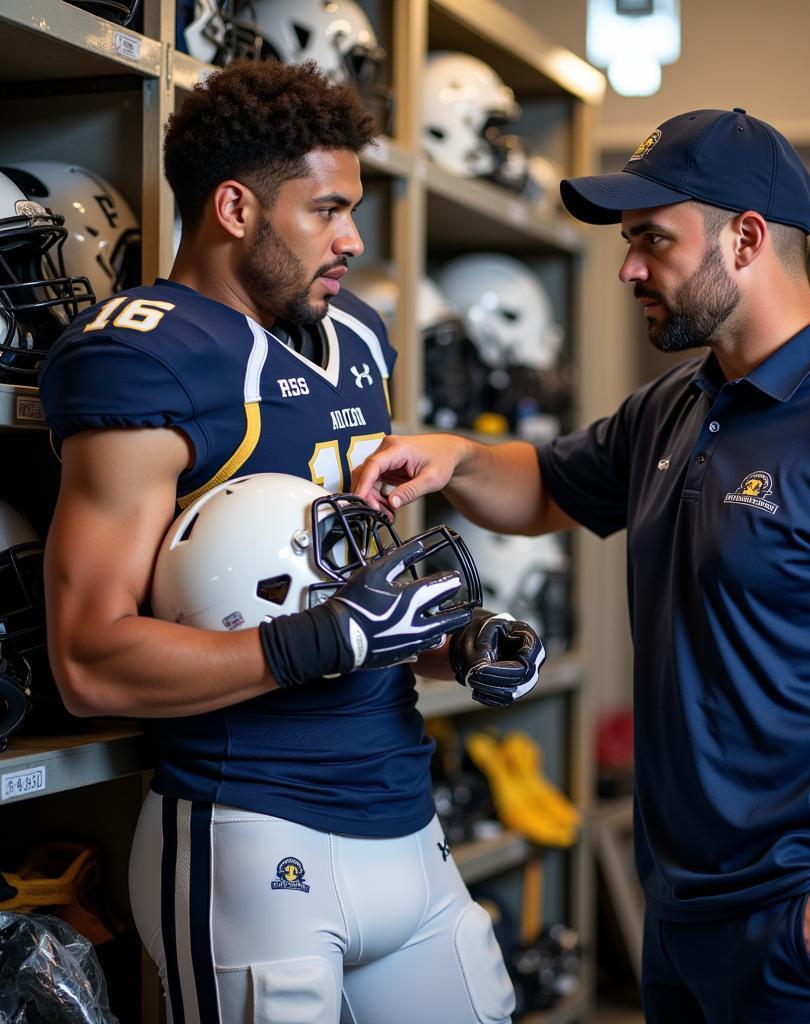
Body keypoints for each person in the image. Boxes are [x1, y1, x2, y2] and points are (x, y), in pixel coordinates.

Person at [352, 108, 810, 1022]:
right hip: (683, 907)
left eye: (653, 242)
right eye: (628, 243)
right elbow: (546, 486)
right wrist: (453, 457)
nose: (628, 269)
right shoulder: (678, 403)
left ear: (746, 239)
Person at [38, 60, 543, 1024]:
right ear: (234, 207)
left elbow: (332, 599)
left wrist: (452, 644)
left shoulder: (354, 334)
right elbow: (90, 663)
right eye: (327, 210)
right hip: (249, 830)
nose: (354, 238)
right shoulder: (145, 356)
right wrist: (329, 641)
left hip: (403, 812)